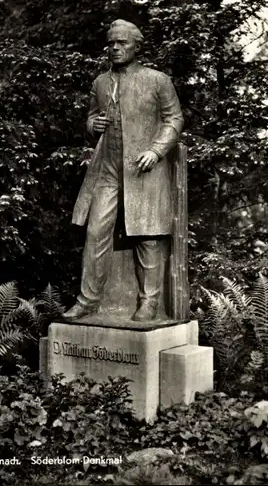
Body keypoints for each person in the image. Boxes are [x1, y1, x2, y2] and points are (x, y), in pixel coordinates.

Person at [64, 19, 184, 322]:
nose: (115, 48)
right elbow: (90, 121)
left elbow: (175, 120)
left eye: (122, 43)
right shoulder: (100, 83)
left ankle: (149, 302)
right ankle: (87, 301)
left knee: (147, 237)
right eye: (111, 43)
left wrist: (156, 150)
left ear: (137, 47)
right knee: (95, 233)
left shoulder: (157, 80)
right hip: (107, 171)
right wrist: (93, 125)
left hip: (142, 171)